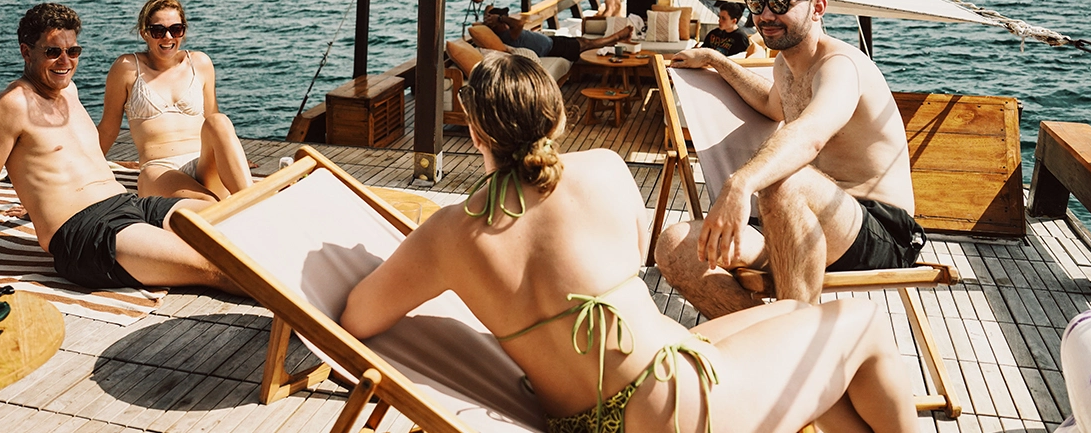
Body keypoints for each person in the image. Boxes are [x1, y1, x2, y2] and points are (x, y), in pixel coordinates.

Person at [341, 53, 916, 433]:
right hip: (670, 405)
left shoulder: (446, 232)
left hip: (588, 419)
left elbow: (359, 317)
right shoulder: (601, 169)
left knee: (795, 315)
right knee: (860, 322)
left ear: (475, 132)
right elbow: (632, 251)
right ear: (558, 117)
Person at [656, 0, 923, 318]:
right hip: (795, 226)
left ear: (817, 8)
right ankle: (767, 336)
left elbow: (811, 133)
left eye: (781, 4)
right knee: (675, 247)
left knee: (785, 181)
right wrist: (718, 62)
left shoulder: (841, 66)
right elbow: (771, 105)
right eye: (757, 3)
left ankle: (794, 342)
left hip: (875, 230)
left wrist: (740, 183)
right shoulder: (785, 64)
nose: (766, 15)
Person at [0, 3, 239, 293]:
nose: (65, 61)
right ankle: (287, 314)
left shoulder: (69, 91)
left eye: (73, 51)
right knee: (220, 267)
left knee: (239, 223)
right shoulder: (8, 107)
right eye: (53, 52)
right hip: (87, 231)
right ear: (26, 52)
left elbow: (65, 161)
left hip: (130, 204)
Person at [96, 0, 252, 202]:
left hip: (203, 164)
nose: (168, 37)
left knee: (219, 120)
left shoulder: (200, 63)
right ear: (145, 33)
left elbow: (214, 125)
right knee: (208, 206)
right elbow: (108, 128)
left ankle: (251, 197)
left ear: (184, 31)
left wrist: (235, 159)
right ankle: (246, 203)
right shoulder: (126, 68)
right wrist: (86, 172)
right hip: (160, 170)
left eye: (176, 29)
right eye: (158, 31)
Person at [481, 7, 632, 62]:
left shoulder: (507, 32)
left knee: (582, 41)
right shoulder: (508, 36)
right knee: (587, 43)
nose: (507, 21)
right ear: (500, 24)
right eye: (503, 19)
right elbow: (519, 24)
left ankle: (611, 42)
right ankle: (617, 37)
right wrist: (498, 19)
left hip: (551, 42)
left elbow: (516, 23)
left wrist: (491, 17)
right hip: (552, 49)